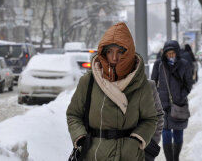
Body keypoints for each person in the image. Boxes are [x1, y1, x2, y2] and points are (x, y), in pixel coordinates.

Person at [66, 22, 158, 161]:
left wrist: (137, 140)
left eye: (120, 52)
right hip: (94, 155)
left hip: (129, 156)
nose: (114, 58)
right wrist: (80, 137)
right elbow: (74, 114)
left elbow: (150, 119)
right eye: (110, 51)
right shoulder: (89, 81)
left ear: (129, 52)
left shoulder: (140, 84)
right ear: (104, 53)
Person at [151, 40, 193, 161]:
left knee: (178, 133)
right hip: (163, 106)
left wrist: (181, 96)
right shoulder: (159, 64)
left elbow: (188, 83)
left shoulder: (184, 65)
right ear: (164, 54)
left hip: (179, 106)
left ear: (177, 53)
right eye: (168, 54)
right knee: (166, 134)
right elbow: (153, 82)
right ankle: (170, 159)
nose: (170, 56)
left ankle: (176, 157)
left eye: (173, 53)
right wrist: (157, 97)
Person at [145, 80, 164, 161]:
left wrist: (152, 143)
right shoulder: (105, 87)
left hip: (143, 151)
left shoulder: (149, 85)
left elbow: (158, 115)